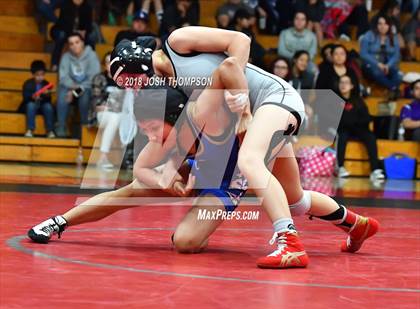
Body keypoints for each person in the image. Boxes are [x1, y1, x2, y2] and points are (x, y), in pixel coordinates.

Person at [28, 50, 379, 268]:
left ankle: (288, 240)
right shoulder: (163, 134)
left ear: (178, 118)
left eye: (154, 129)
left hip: (250, 143)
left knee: (188, 240)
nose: (150, 138)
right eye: (145, 130)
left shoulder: (200, 109)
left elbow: (229, 64)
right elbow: (139, 172)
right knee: (297, 201)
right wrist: (172, 181)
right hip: (245, 147)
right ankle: (58, 222)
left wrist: (243, 115)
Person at [336, 75, 385, 180]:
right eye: (341, 82)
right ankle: (340, 167)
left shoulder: (358, 100)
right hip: (343, 129)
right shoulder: (335, 100)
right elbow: (335, 119)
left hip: (358, 128)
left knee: (370, 137)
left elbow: (366, 117)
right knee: (342, 137)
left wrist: (354, 122)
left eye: (346, 83)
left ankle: (375, 170)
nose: (343, 85)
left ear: (352, 86)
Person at [56, 32, 100, 138]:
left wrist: (78, 89)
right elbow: (63, 77)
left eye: (77, 42)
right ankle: (61, 126)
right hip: (71, 87)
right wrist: (74, 87)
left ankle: (84, 129)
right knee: (62, 92)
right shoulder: (66, 57)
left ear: (82, 43)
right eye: (71, 44)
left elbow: (93, 78)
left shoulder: (91, 55)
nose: (74, 46)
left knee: (84, 98)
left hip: (86, 87)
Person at [91, 52, 124, 169]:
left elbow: (126, 104)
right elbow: (97, 104)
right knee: (114, 118)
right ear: (104, 64)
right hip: (101, 115)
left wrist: (110, 106)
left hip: (121, 115)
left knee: (118, 118)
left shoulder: (124, 80)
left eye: (113, 61)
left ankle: (127, 158)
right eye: (107, 62)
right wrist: (114, 107)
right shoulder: (99, 78)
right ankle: (103, 157)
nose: (110, 64)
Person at [360, 15, 402, 100]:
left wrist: (388, 65)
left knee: (399, 76)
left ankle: (392, 89)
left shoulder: (393, 37)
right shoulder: (369, 35)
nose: (383, 26)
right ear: (376, 25)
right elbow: (363, 53)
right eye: (380, 24)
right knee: (377, 73)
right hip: (371, 65)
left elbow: (396, 55)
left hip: (388, 66)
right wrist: (378, 64)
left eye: (385, 24)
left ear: (389, 26)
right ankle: (393, 89)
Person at [50, 0, 95, 71]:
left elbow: (88, 24)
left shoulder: (87, 7)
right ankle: (54, 64)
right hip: (66, 31)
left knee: (91, 38)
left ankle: (91, 64)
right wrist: (74, 32)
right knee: (61, 36)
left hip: (80, 32)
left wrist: (84, 31)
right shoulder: (65, 4)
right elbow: (62, 23)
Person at [21, 60, 55, 138]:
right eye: (37, 75)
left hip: (42, 104)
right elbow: (25, 97)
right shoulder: (28, 83)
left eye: (42, 75)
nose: (40, 77)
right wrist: (32, 97)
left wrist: (46, 95)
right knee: (30, 106)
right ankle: (30, 130)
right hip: (32, 104)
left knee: (48, 107)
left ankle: (49, 130)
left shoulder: (46, 84)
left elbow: (48, 100)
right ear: (33, 75)